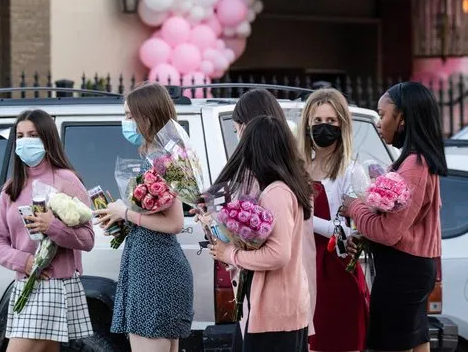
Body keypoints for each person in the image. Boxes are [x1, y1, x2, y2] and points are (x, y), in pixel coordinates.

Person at [195, 88, 317, 349]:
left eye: (239, 129)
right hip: (270, 304)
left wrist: (230, 254)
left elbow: (278, 254)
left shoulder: (276, 191)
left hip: (275, 309)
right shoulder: (286, 182)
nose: (238, 138)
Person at [341, 82, 447, 352]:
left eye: (383, 114)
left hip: (403, 271)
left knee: (392, 344)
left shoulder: (414, 166)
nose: (378, 122)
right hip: (412, 269)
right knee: (416, 340)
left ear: (402, 118)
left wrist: (353, 205)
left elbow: (389, 232)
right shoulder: (417, 160)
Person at [93, 83, 194, 352]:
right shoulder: (159, 156)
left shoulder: (163, 159)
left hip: (155, 270)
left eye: (129, 116)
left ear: (146, 117)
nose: (125, 122)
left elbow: (174, 223)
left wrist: (125, 212)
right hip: (152, 265)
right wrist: (123, 220)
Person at [0, 109, 95, 352]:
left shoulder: (66, 180)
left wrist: (54, 227)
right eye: (20, 135)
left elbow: (88, 239)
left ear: (47, 139)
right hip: (25, 284)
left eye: (33, 135)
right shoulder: (11, 189)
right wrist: (25, 262)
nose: (25, 141)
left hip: (55, 285)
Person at [297, 88, 369, 352]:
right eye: (317, 122)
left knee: (342, 341)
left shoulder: (352, 170)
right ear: (307, 124)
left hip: (338, 268)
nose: (323, 128)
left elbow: (355, 228)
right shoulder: (299, 169)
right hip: (304, 268)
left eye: (330, 122)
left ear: (342, 126)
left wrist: (305, 220)